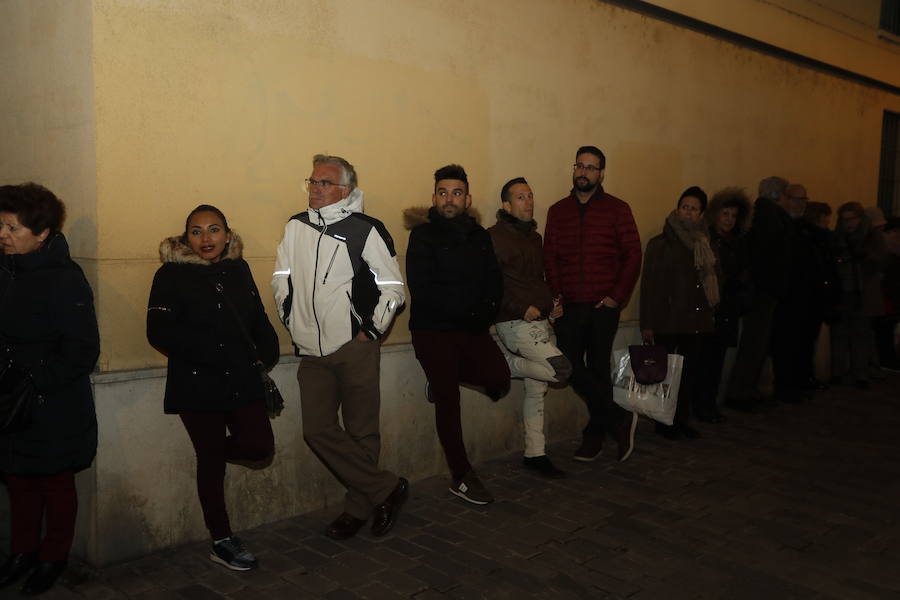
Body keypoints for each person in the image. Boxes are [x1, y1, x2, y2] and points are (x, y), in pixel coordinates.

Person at [272, 154, 408, 539]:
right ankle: (386, 488)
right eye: (312, 182)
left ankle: (357, 509)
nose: (314, 188)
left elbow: (393, 288)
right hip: (311, 351)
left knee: (362, 431)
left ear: (345, 190)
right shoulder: (295, 227)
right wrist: (290, 318)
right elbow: (281, 277)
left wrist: (370, 330)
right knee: (317, 430)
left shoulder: (367, 229)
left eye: (323, 183)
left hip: (355, 346)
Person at [147, 205, 279, 571]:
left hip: (241, 379)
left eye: (214, 229)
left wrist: (265, 353)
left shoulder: (239, 268)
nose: (206, 239)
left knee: (259, 446)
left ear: (226, 233)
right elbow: (158, 331)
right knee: (209, 462)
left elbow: (256, 316)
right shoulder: (170, 274)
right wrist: (211, 354)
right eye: (197, 231)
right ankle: (222, 539)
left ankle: (212, 456)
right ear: (186, 236)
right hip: (196, 383)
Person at [0, 183, 99, 595]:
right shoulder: (5, 269)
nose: (2, 235)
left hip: (51, 403)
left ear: (41, 234)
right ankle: (22, 553)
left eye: (11, 228)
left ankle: (52, 558)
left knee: (55, 485)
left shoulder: (65, 278)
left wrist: (33, 380)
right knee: (18, 481)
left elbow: (82, 349)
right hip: (8, 400)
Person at [405, 164, 510, 505]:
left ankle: (441, 377)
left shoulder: (480, 236)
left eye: (457, 193)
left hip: (472, 328)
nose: (449, 199)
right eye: (443, 192)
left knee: (499, 379)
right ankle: (461, 476)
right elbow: (422, 288)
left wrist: (483, 316)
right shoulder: (421, 235)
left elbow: (493, 280)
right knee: (449, 403)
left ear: (467, 198)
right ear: (434, 197)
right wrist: (463, 313)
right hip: (433, 330)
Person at [543, 146, 642, 461]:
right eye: (580, 166)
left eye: (591, 167)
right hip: (570, 306)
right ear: (574, 169)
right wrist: (557, 297)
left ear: (601, 174)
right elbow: (550, 258)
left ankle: (594, 437)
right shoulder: (557, 211)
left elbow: (633, 255)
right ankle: (617, 417)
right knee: (570, 365)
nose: (584, 172)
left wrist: (616, 296)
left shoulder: (617, 209)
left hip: (603, 306)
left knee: (599, 369)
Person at [487, 178, 572, 478]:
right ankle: (504, 365)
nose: (528, 202)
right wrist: (520, 308)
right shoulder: (493, 237)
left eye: (530, 196)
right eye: (520, 197)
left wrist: (553, 302)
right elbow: (490, 286)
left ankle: (535, 454)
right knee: (560, 370)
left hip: (542, 321)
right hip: (515, 323)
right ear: (506, 205)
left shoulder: (534, 238)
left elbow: (539, 279)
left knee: (537, 391)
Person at [640, 186, 718, 439]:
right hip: (667, 320)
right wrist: (647, 323)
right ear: (677, 209)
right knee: (665, 375)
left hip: (695, 320)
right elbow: (648, 285)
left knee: (687, 375)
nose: (688, 212)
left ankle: (680, 420)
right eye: (685, 206)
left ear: (701, 214)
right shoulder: (660, 244)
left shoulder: (705, 243)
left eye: (694, 209)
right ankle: (664, 423)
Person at [723, 176, 793, 412]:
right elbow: (768, 258)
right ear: (779, 196)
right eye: (788, 196)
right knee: (755, 343)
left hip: (762, 290)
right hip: (763, 291)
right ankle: (741, 391)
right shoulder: (769, 218)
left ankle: (744, 390)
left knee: (757, 343)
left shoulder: (764, 216)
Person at [769, 184, 838, 403]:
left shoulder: (808, 230)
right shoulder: (781, 227)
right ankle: (785, 387)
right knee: (785, 345)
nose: (799, 204)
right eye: (795, 199)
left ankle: (800, 381)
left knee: (804, 343)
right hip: (787, 298)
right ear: (785, 199)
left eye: (803, 199)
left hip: (808, 298)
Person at [697, 187, 752, 422]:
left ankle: (709, 405)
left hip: (728, 310)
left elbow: (743, 275)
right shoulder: (706, 241)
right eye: (725, 214)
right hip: (708, 311)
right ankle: (699, 405)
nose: (729, 220)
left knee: (716, 361)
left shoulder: (738, 243)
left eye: (733, 215)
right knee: (702, 361)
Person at [831, 202, 885, 388]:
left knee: (860, 334)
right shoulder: (838, 237)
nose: (848, 223)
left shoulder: (871, 236)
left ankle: (860, 374)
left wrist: (864, 256)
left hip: (862, 291)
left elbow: (880, 260)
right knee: (840, 334)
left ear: (860, 218)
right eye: (845, 219)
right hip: (843, 291)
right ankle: (839, 372)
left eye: (851, 218)